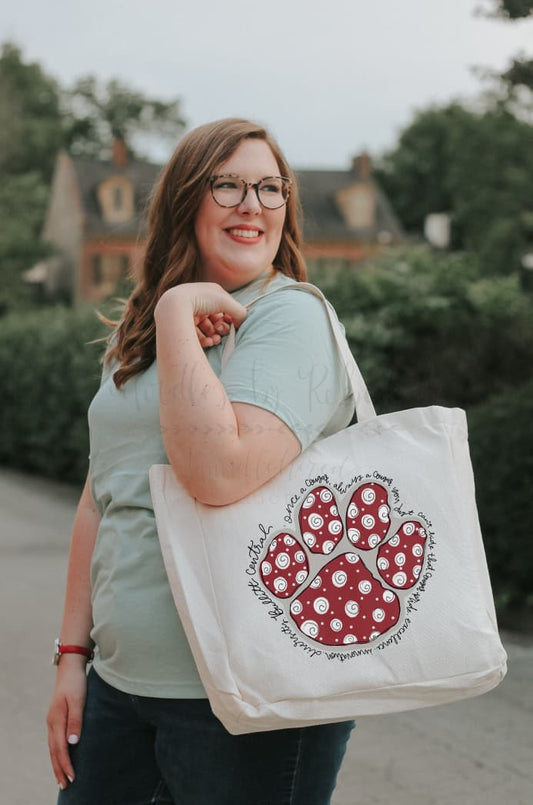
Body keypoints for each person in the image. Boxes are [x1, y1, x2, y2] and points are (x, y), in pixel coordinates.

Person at [47, 118, 356, 805]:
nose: (253, 204)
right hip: (121, 688)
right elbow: (102, 497)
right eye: (228, 184)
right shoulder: (142, 332)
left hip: (244, 697)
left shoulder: (290, 317)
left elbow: (218, 473)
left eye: (271, 188)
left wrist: (178, 307)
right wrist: (73, 659)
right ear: (186, 199)